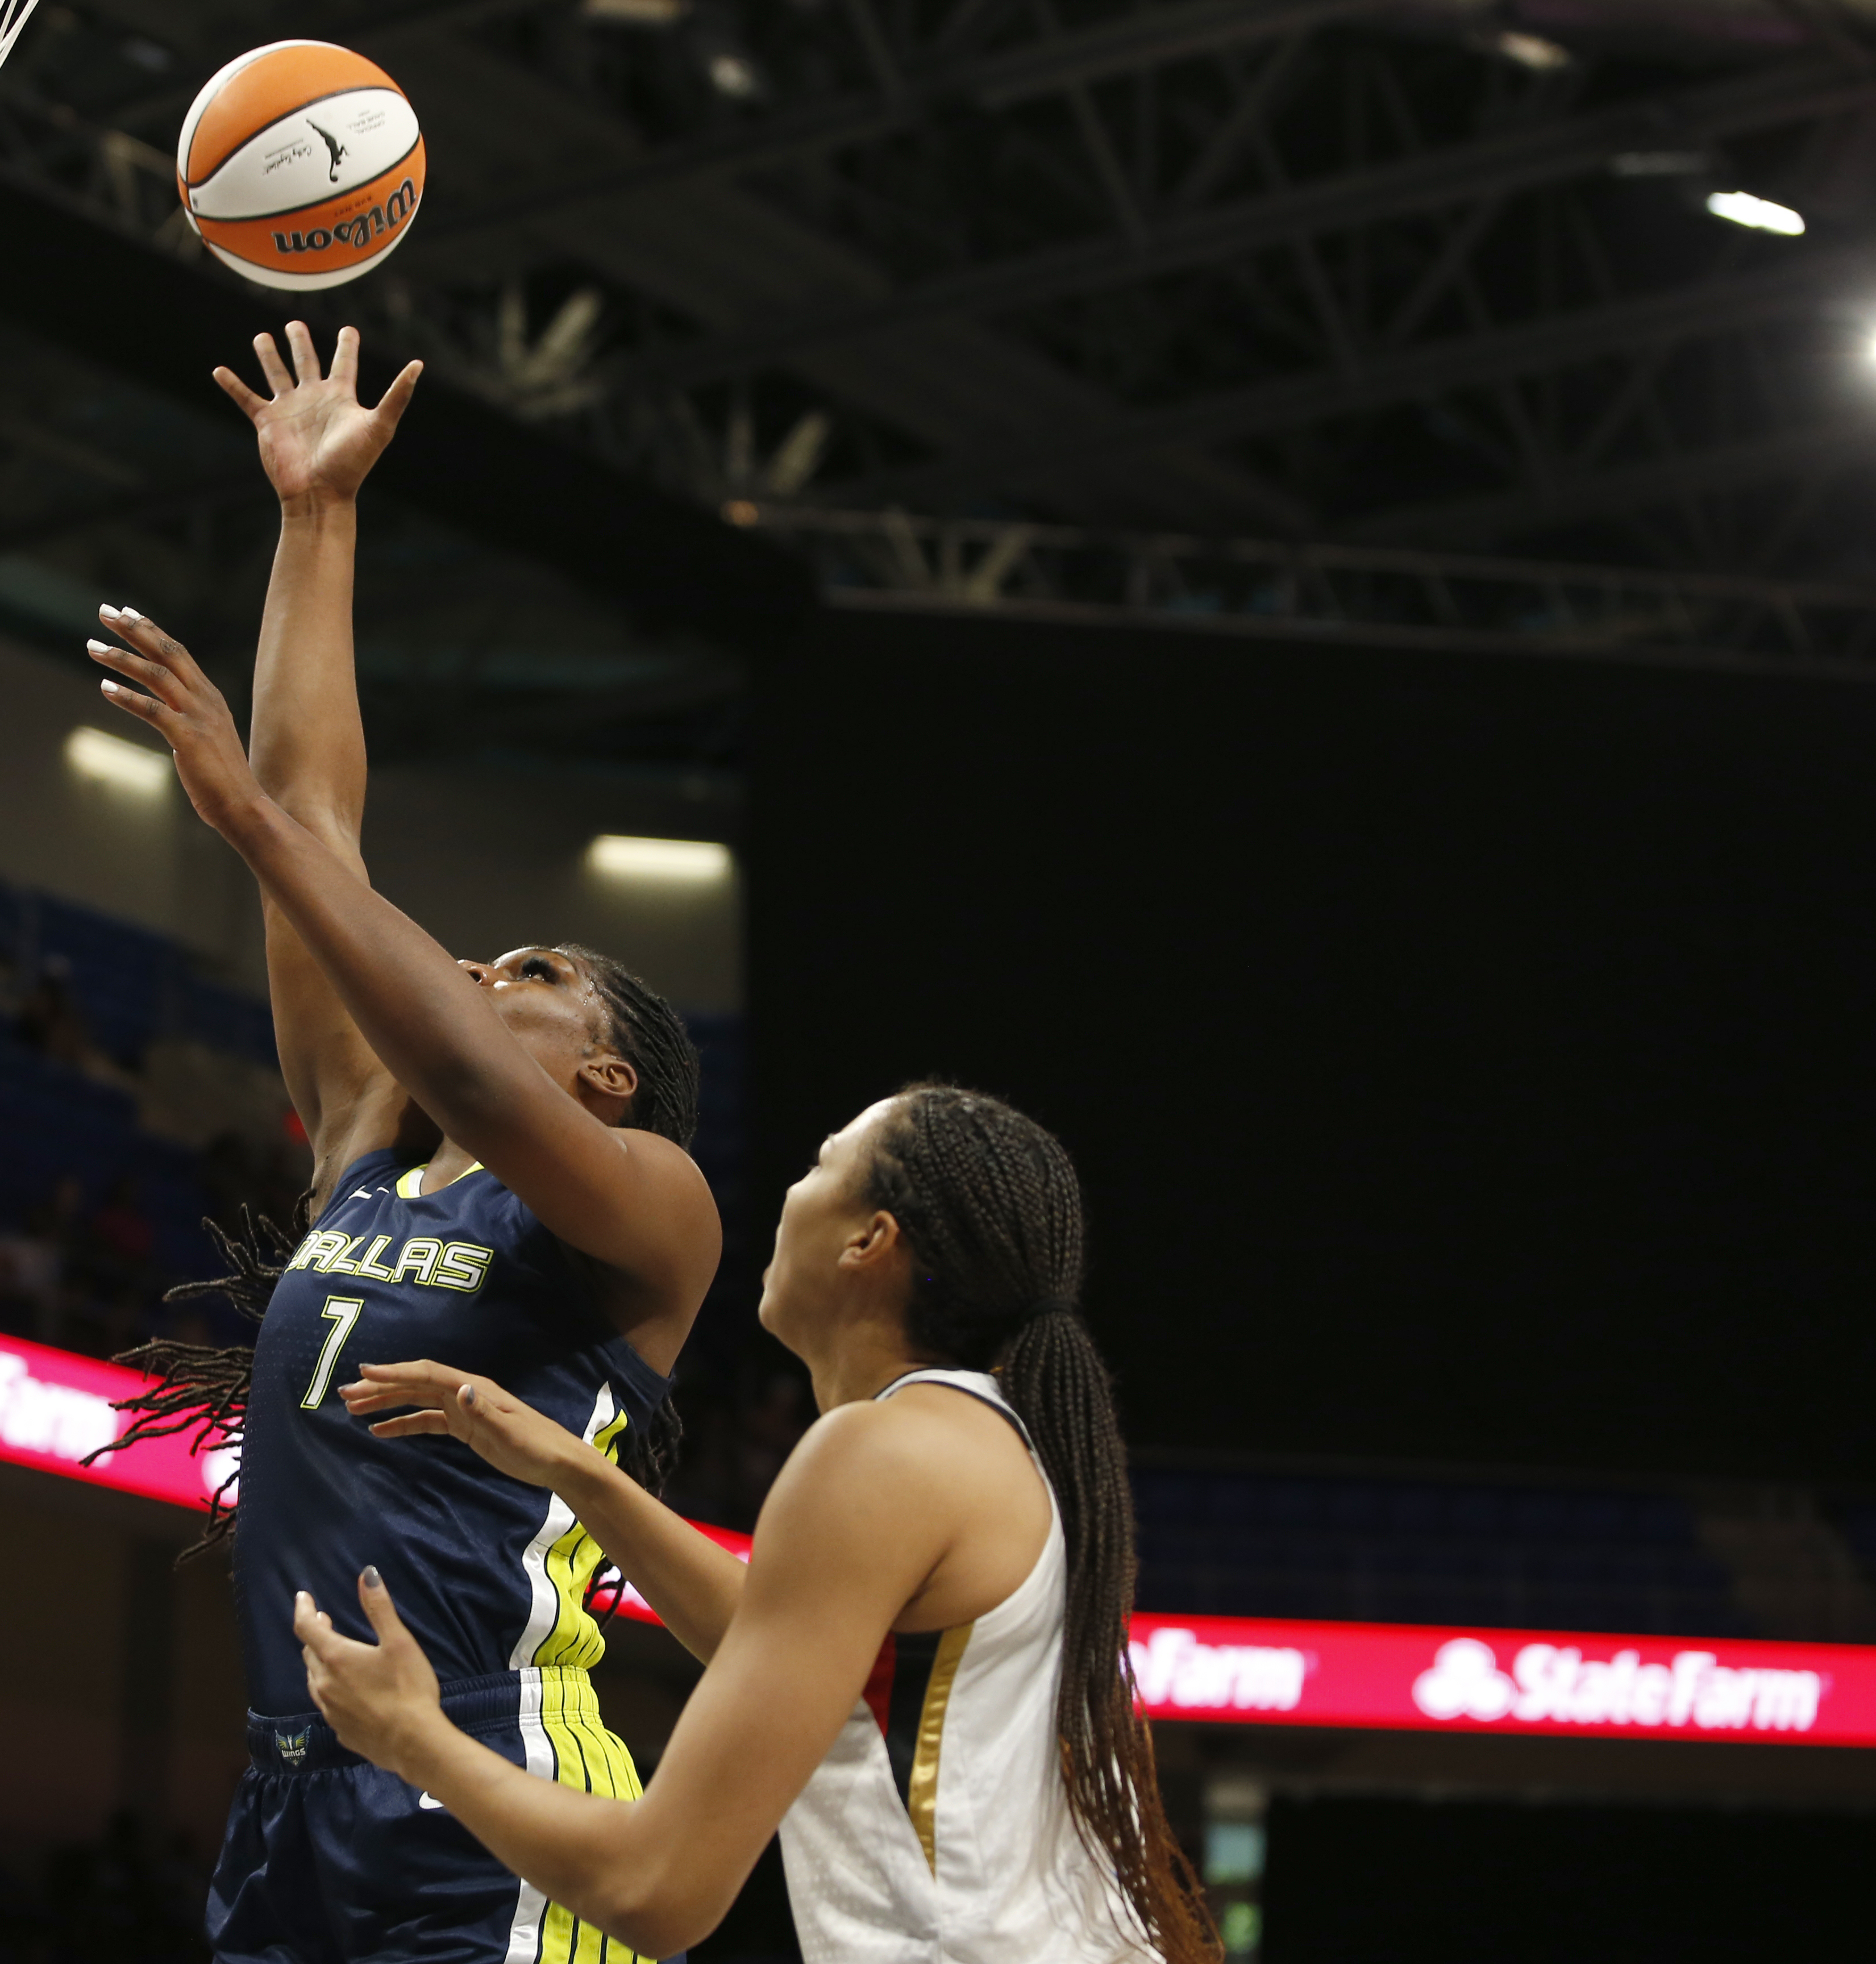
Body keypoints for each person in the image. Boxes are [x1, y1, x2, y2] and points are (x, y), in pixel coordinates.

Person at [90, 321, 721, 1964]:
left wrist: (249, 828)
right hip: (292, 1789)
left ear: (610, 1084)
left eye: (533, 978)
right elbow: (316, 809)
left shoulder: (650, 1212)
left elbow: (324, 880)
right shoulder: (369, 1142)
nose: (477, 972)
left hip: (493, 1785)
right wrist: (316, 517)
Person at [290, 1085, 1217, 1964]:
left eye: (819, 1167)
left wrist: (412, 1736)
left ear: (869, 1241)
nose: (789, 1192)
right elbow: (788, 1642)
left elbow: (654, 1887)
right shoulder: (984, 1439)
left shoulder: (879, 1452)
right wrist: (572, 1466)